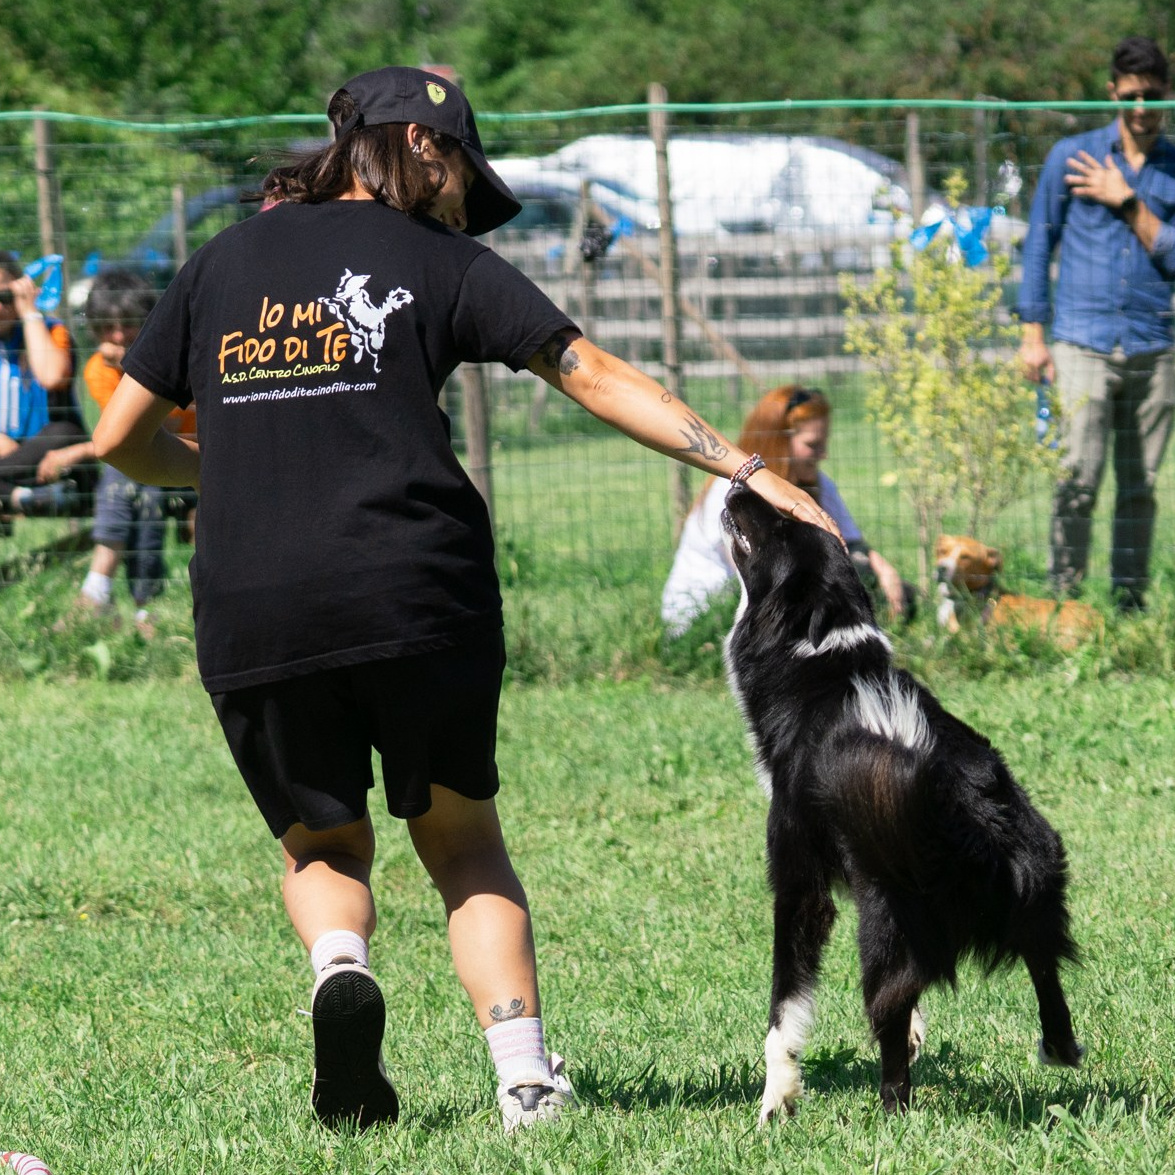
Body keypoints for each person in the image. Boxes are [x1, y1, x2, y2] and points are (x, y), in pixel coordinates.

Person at [92, 66, 842, 1135]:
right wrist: (744, 468)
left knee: (322, 844)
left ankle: (338, 963)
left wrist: (235, 474)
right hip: (415, 587)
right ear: (421, 148)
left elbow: (120, 438)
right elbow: (589, 373)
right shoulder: (440, 260)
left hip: (255, 599)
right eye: (456, 177)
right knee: (462, 843)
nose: (457, 205)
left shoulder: (220, 261)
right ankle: (524, 1078)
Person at [1017, 35, 1175, 613]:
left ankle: (1129, 602)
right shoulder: (1073, 156)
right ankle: (1065, 601)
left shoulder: (1174, 165)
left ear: (1167, 95)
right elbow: (1039, 245)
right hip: (1081, 341)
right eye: (1131, 96)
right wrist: (1032, 334)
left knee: (1140, 488)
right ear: (1113, 91)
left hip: (1156, 344)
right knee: (1077, 477)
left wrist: (1128, 202)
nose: (1142, 109)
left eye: (1153, 97)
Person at [661, 385, 914, 636]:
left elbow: (850, 544)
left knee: (882, 583)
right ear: (778, 441)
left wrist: (883, 570)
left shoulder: (818, 484)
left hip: (771, 606)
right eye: (813, 445)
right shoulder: (731, 491)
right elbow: (757, 575)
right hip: (710, 614)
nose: (823, 454)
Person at [55, 271, 197, 634]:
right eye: (107, 328)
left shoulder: (178, 356)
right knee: (136, 478)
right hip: (154, 466)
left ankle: (99, 588)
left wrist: (73, 453)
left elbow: (150, 427)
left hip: (198, 458)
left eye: (128, 325)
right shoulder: (97, 371)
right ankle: (143, 606)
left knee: (132, 467)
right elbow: (132, 434)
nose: (118, 336)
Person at [0, 251, 95, 521]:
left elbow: (52, 377)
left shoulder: (52, 331)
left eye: (4, 297)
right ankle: (18, 496)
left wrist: (29, 313)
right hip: (10, 461)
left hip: (55, 458)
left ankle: (9, 493)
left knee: (64, 431)